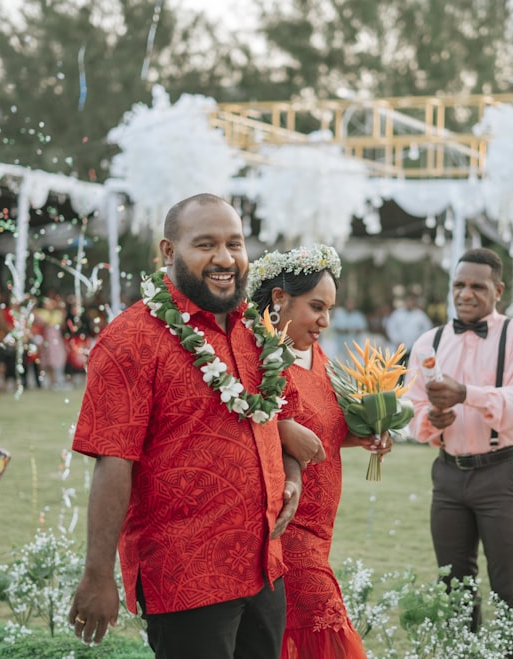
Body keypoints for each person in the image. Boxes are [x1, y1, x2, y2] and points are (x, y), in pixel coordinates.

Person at [68, 194, 324, 658]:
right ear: (168, 252)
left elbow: (276, 418)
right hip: (187, 574)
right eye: (206, 244)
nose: (225, 258)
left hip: (265, 566)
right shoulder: (131, 339)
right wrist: (97, 575)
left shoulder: (257, 331)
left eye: (235, 244)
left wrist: (292, 475)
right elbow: (112, 463)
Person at [250, 245, 387, 659]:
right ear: (278, 299)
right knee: (328, 631)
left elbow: (321, 430)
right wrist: (281, 427)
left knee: (290, 635)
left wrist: (362, 435)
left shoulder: (316, 354)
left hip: (321, 526)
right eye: (316, 307)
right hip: (286, 523)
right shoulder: (257, 355)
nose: (326, 320)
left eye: (329, 308)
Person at [404, 248, 513, 636]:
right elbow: (411, 407)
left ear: (498, 290)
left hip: (500, 473)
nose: (466, 294)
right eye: (459, 285)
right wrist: (430, 420)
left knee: (510, 585)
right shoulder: (428, 342)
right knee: (454, 585)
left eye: (477, 287)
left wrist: (467, 393)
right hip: (448, 475)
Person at [386, 294, 433, 362]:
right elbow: (390, 327)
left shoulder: (420, 315)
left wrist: (420, 339)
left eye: (411, 302)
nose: (409, 303)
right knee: (400, 366)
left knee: (413, 366)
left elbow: (428, 327)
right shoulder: (397, 314)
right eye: (408, 301)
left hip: (414, 347)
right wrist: (396, 340)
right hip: (399, 347)